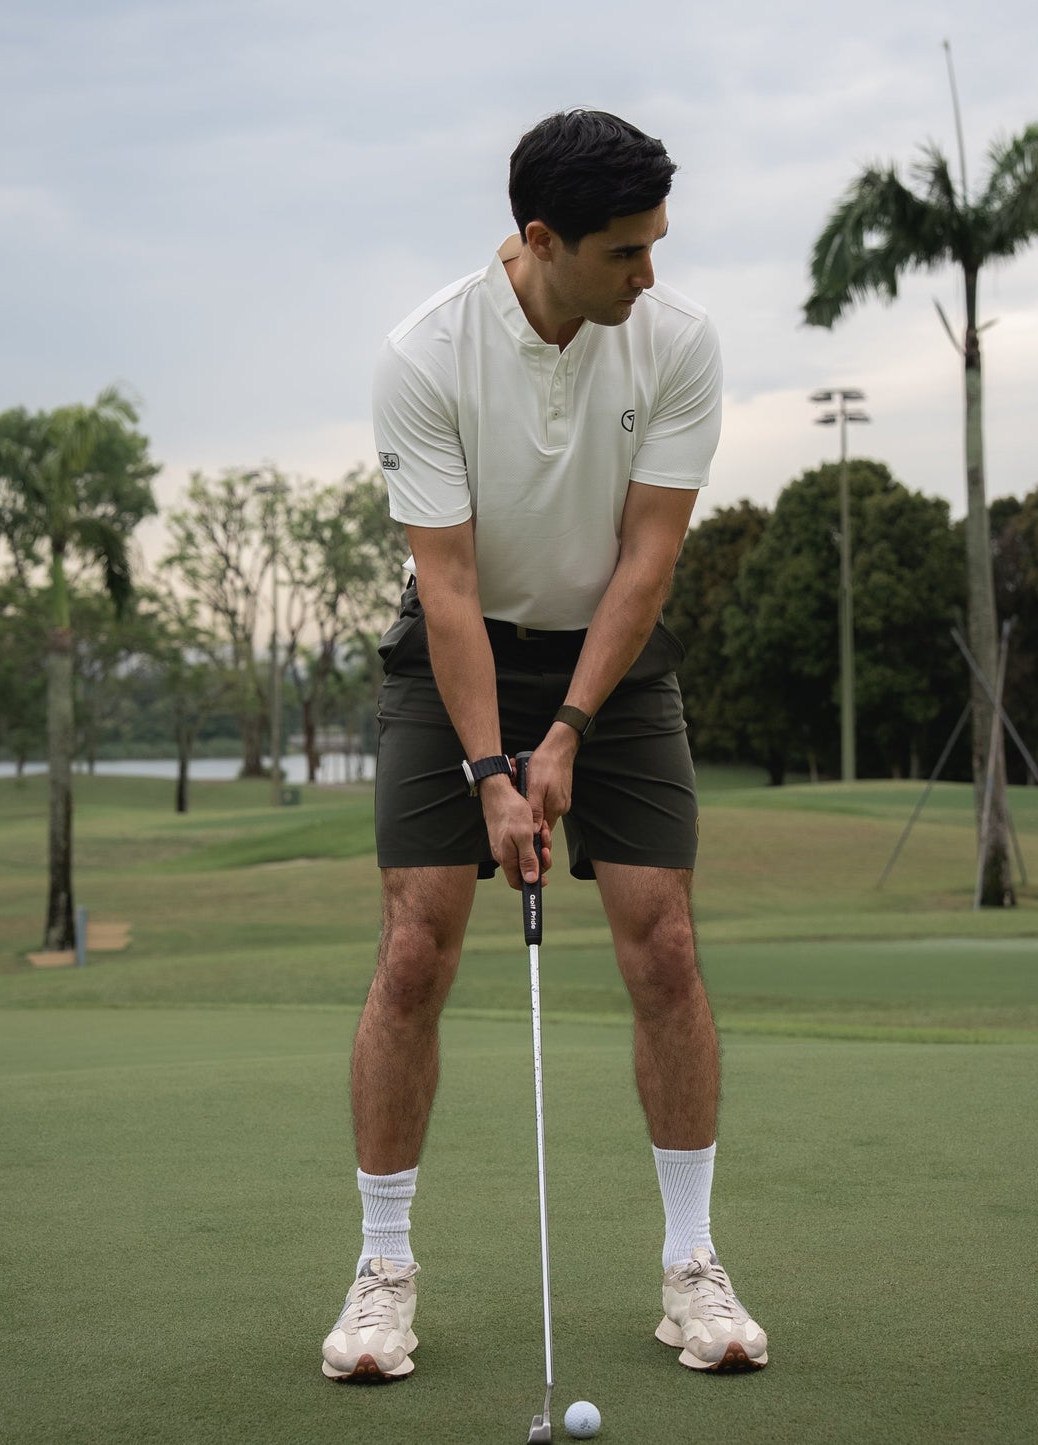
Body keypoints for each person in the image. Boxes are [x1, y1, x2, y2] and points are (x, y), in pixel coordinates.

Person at [323, 109, 768, 1384]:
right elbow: (447, 586)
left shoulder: (674, 343)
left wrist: (566, 730)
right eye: (625, 251)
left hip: (611, 665)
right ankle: (381, 1273)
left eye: (656, 245)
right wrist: (486, 770)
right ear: (539, 239)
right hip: (454, 652)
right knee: (415, 946)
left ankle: (690, 1268)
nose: (649, 273)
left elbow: (648, 557)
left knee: (664, 940)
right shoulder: (425, 355)